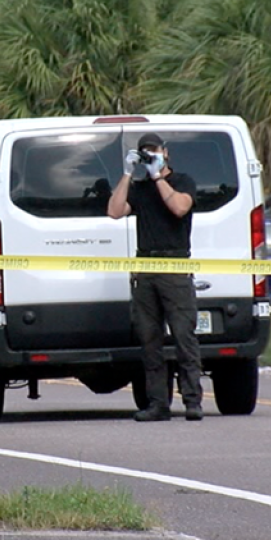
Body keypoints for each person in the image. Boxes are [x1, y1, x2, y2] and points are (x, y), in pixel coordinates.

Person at [108, 133, 204, 422]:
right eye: (145, 153)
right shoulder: (139, 188)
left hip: (174, 264)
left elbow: (179, 208)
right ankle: (158, 403)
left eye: (155, 151)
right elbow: (114, 212)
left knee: (184, 336)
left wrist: (158, 177)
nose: (152, 156)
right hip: (146, 266)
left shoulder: (182, 181)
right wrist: (127, 174)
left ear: (166, 152)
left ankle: (192, 402)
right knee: (149, 340)